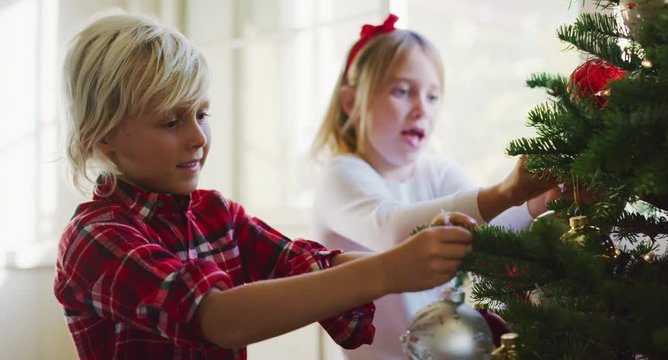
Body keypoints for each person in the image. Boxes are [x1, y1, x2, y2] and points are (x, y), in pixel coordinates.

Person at [53, 13, 477, 360]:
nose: (198, 137)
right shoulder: (94, 238)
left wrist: (413, 258)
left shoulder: (215, 213)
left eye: (202, 114)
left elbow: (307, 263)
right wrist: (387, 270)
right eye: (170, 121)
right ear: (103, 134)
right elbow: (216, 318)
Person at [311, 14, 559, 360]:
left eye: (432, 96)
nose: (420, 109)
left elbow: (490, 236)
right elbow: (394, 230)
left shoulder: (438, 173)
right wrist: (505, 192)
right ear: (351, 102)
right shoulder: (341, 174)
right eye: (402, 91)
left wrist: (538, 201)